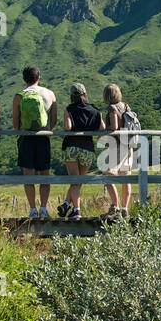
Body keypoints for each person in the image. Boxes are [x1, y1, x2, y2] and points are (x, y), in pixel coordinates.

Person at [13, 65, 57, 220]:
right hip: (43, 138)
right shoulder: (50, 94)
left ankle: (32, 209)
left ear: (24, 79)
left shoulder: (19, 96)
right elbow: (54, 121)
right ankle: (43, 209)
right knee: (44, 174)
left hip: (26, 139)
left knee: (28, 175)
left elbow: (15, 125)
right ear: (39, 77)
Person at [57, 83, 103, 220]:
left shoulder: (69, 109)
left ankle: (76, 210)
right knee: (78, 182)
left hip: (71, 147)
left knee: (75, 181)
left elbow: (67, 127)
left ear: (72, 95)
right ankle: (66, 204)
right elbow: (102, 127)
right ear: (85, 94)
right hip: (88, 148)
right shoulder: (95, 110)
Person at [100, 83, 136, 217]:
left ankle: (114, 206)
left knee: (106, 175)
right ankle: (124, 208)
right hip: (128, 145)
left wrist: (105, 131)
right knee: (125, 177)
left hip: (116, 146)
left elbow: (114, 126)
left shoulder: (111, 108)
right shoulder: (126, 106)